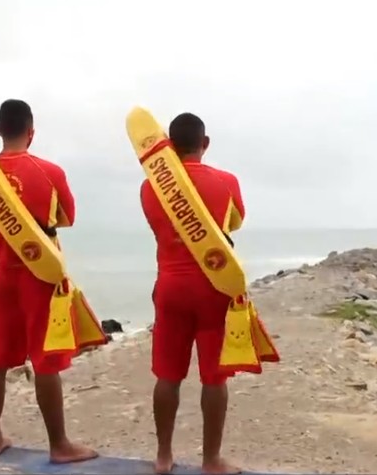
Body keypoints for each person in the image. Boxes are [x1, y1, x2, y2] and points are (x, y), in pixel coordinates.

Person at [0, 99, 97, 464]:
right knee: (45, 362)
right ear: (31, 131)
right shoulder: (50, 171)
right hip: (40, 277)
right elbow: (66, 217)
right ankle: (59, 444)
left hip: (3, 275)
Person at [140, 113, 245, 475]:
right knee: (214, 378)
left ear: (168, 145)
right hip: (213, 289)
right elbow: (232, 224)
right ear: (206, 143)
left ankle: (163, 457)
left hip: (170, 287)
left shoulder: (150, 186)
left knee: (167, 376)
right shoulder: (227, 182)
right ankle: (211, 460)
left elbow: (157, 226)